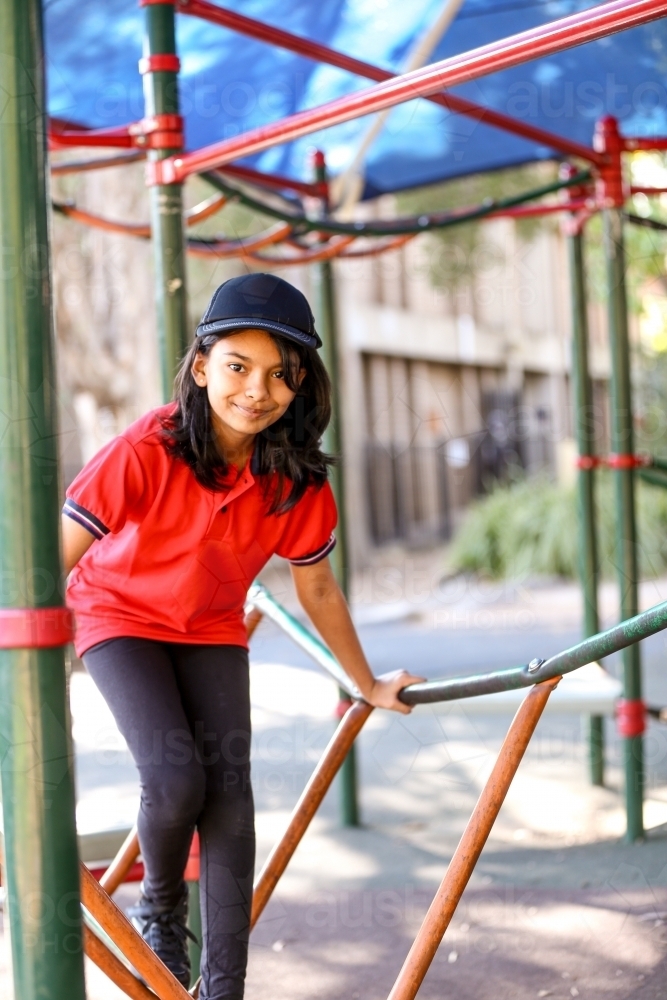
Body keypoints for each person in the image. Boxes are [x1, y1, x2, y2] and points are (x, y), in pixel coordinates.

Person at [62, 273, 422, 1000]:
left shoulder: (295, 479)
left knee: (229, 798)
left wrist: (366, 682)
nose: (256, 391)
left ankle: (225, 989)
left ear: (299, 387)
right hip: (118, 616)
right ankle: (161, 906)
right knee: (175, 781)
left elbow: (316, 587)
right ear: (201, 367)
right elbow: (54, 557)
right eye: (237, 368)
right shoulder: (145, 449)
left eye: (279, 377)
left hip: (211, 626)